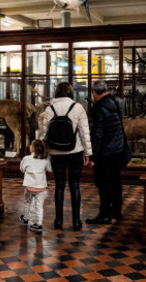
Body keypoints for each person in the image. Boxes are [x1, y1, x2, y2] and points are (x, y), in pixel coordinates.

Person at [39, 82, 91, 231]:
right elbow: (84, 133)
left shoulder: (50, 109)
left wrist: (44, 151)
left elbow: (44, 133)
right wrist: (88, 154)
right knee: (75, 186)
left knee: (59, 186)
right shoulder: (78, 107)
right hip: (75, 152)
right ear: (70, 92)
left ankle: (58, 221)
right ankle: (76, 221)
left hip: (56, 153)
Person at [87, 80, 125, 225]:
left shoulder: (98, 108)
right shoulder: (117, 102)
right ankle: (116, 210)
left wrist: (93, 156)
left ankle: (104, 214)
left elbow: (97, 134)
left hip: (105, 152)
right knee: (116, 180)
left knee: (102, 183)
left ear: (94, 93)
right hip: (117, 149)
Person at [19, 139, 53, 233]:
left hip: (29, 186)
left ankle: (26, 218)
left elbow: (22, 169)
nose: (29, 146)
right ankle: (39, 224)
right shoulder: (45, 159)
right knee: (39, 206)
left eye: (31, 145)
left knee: (27, 202)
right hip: (41, 187)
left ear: (33, 148)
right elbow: (50, 169)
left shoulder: (26, 159)